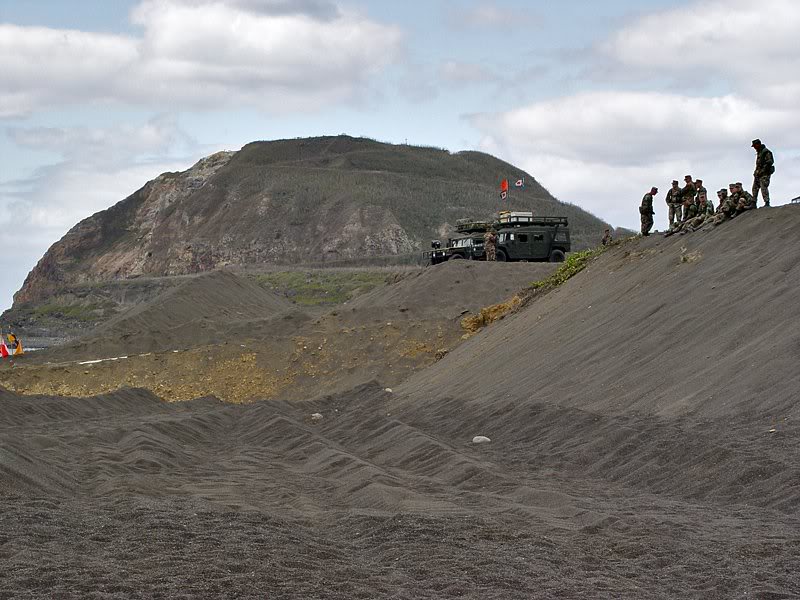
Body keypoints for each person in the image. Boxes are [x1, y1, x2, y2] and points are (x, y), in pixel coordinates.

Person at [751, 139, 775, 207]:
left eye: (755, 146)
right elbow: (758, 164)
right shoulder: (759, 152)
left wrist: (763, 170)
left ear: (758, 145)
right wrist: (756, 172)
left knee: (763, 187)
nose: (754, 148)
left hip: (764, 174)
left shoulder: (766, 152)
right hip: (758, 174)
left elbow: (770, 162)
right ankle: (754, 202)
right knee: (754, 188)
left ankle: (767, 202)